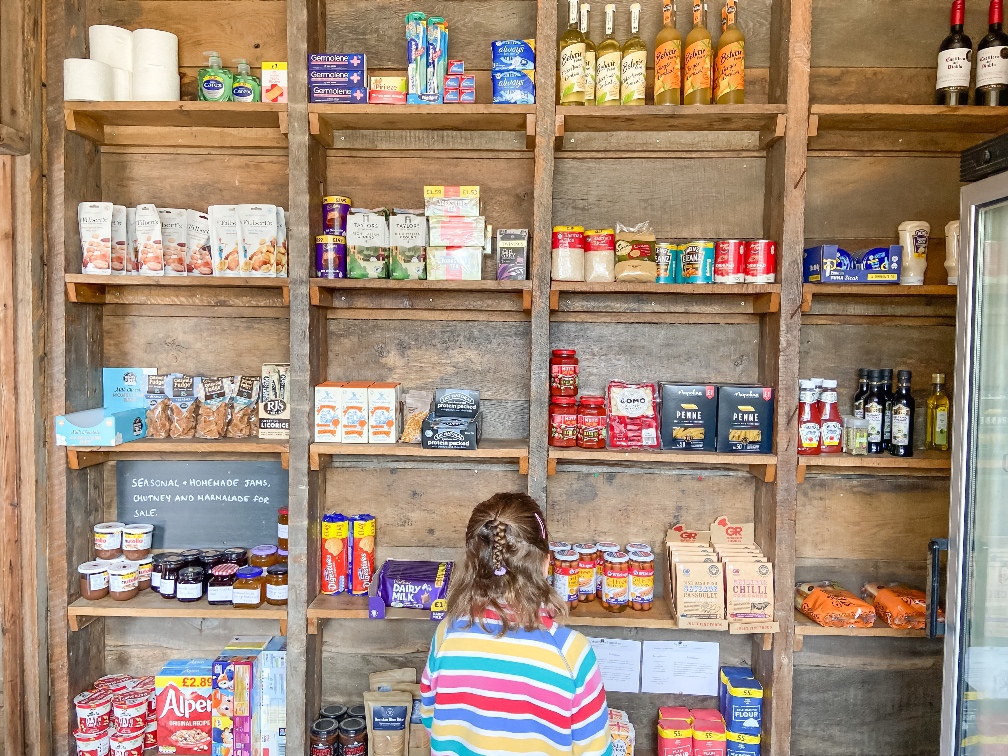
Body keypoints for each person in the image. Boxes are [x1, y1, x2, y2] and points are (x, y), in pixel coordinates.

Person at [420, 492, 613, 756]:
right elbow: (596, 750)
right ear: (546, 563)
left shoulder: (446, 634)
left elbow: (430, 718)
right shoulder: (572, 653)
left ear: (473, 563)